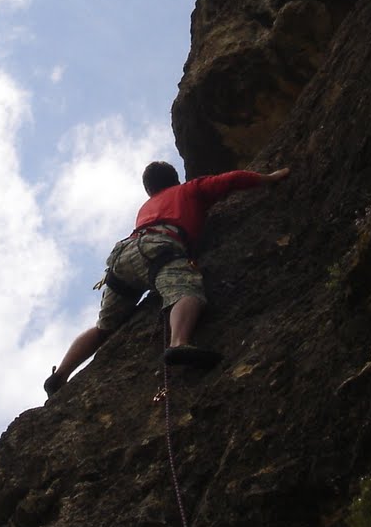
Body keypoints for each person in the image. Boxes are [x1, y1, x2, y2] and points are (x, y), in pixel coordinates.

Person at [44, 160, 290, 394]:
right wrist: (269, 178)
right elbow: (231, 180)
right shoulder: (189, 189)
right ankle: (179, 343)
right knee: (187, 292)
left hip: (122, 256)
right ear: (175, 179)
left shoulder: (146, 207)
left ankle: (60, 375)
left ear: (150, 190)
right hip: (159, 247)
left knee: (103, 328)